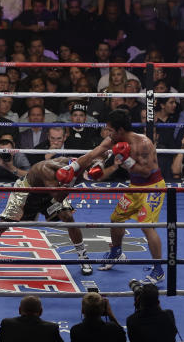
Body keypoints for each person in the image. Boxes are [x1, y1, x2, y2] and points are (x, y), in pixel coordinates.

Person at [59, 108, 166, 283]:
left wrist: (126, 161)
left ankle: (158, 269)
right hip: (135, 187)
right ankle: (116, 252)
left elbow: (146, 172)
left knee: (147, 226)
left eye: (110, 130)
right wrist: (74, 167)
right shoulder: (114, 140)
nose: (108, 133)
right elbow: (94, 153)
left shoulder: (143, 144)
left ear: (120, 131)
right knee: (116, 219)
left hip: (153, 187)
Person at [0, 156, 93, 274]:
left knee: (68, 217)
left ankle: (82, 255)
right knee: (4, 223)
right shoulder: (46, 169)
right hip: (27, 193)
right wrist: (68, 183)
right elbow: (59, 196)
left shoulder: (77, 166)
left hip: (51, 194)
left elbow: (97, 153)